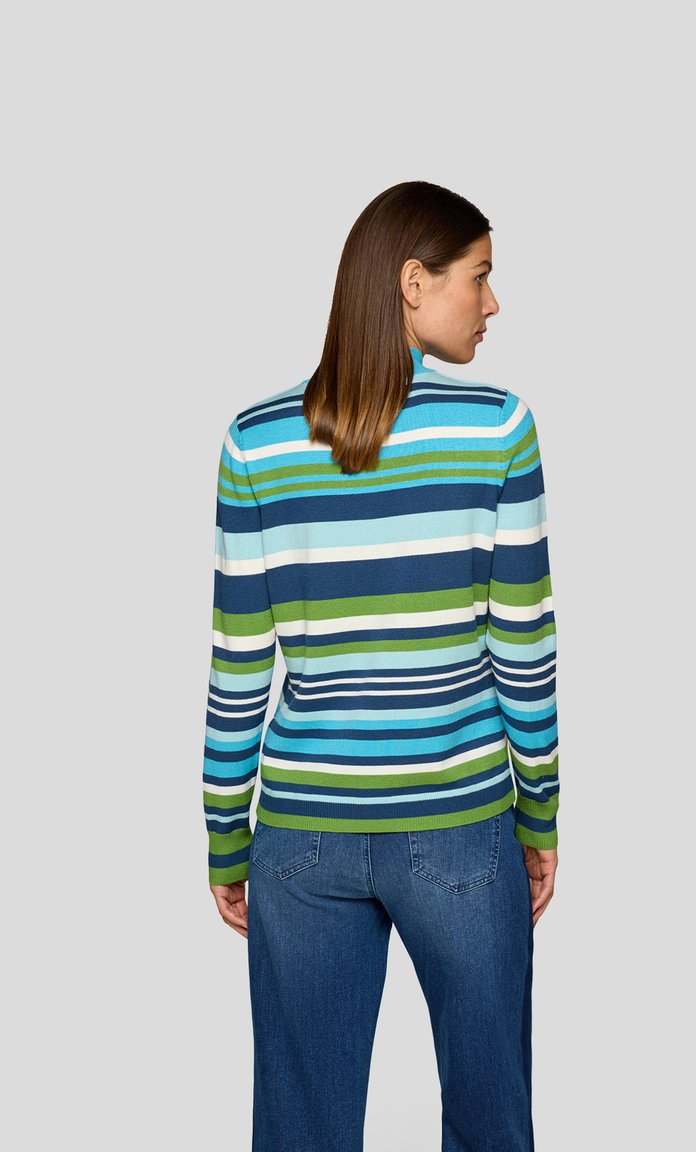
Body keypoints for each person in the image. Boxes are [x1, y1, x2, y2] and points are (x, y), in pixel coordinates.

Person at [201, 180, 560, 1152]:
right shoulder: (497, 428)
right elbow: (524, 649)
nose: (492, 302)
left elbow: (238, 665)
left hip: (299, 837)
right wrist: (538, 818)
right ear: (413, 282)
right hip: (459, 826)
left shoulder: (255, 442)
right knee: (492, 1127)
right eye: (479, 277)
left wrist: (227, 841)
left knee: (300, 1132)